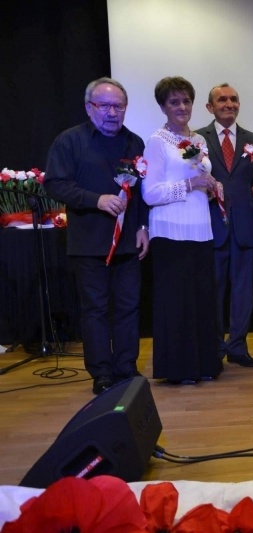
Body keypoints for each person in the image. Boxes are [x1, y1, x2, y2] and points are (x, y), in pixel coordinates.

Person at [44, 77, 149, 395]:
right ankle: (101, 372)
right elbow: (55, 183)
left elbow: (142, 191)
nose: (112, 112)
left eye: (118, 106)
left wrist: (144, 227)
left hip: (129, 241)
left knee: (129, 307)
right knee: (96, 309)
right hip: (89, 242)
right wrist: (97, 200)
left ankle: (127, 367)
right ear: (90, 108)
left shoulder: (135, 143)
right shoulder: (69, 141)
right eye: (104, 105)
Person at [141, 76, 223, 385]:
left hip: (201, 230)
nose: (182, 107)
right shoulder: (157, 141)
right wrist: (191, 184)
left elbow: (202, 179)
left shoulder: (199, 141)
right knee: (176, 303)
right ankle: (179, 367)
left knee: (201, 300)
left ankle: (203, 364)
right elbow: (150, 193)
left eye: (186, 100)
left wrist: (213, 187)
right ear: (163, 106)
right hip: (170, 232)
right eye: (174, 102)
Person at [197, 83, 253, 368]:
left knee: (243, 292)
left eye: (234, 99)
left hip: (246, 229)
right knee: (213, 291)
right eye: (221, 100)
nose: (229, 104)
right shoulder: (195, 140)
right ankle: (215, 347)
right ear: (210, 107)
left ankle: (238, 346)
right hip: (210, 228)